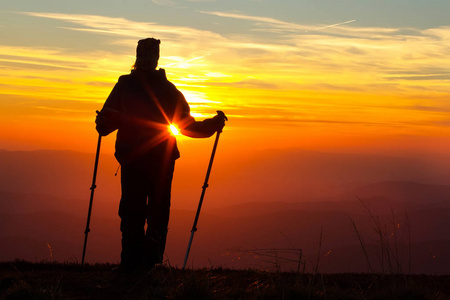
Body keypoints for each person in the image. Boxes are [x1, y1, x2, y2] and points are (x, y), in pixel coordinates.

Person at [95, 38, 226, 273]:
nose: (146, 60)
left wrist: (211, 126)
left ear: (156, 58)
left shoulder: (137, 87)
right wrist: (102, 123)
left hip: (143, 159)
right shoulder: (157, 89)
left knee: (147, 211)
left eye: (150, 56)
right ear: (138, 57)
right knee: (143, 211)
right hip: (154, 160)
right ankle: (138, 264)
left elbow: (185, 125)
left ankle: (139, 265)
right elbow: (108, 121)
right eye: (143, 56)